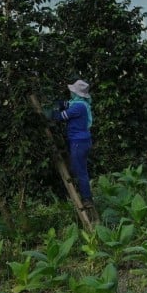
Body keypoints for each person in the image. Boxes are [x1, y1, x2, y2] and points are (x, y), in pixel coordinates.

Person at [52, 79, 95, 210]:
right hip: (83, 141)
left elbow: (60, 116)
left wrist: (50, 111)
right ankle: (86, 195)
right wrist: (56, 103)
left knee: (80, 171)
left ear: (77, 94)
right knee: (81, 169)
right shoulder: (80, 103)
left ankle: (87, 199)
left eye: (72, 92)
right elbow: (65, 104)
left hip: (78, 143)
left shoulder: (78, 107)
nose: (70, 93)